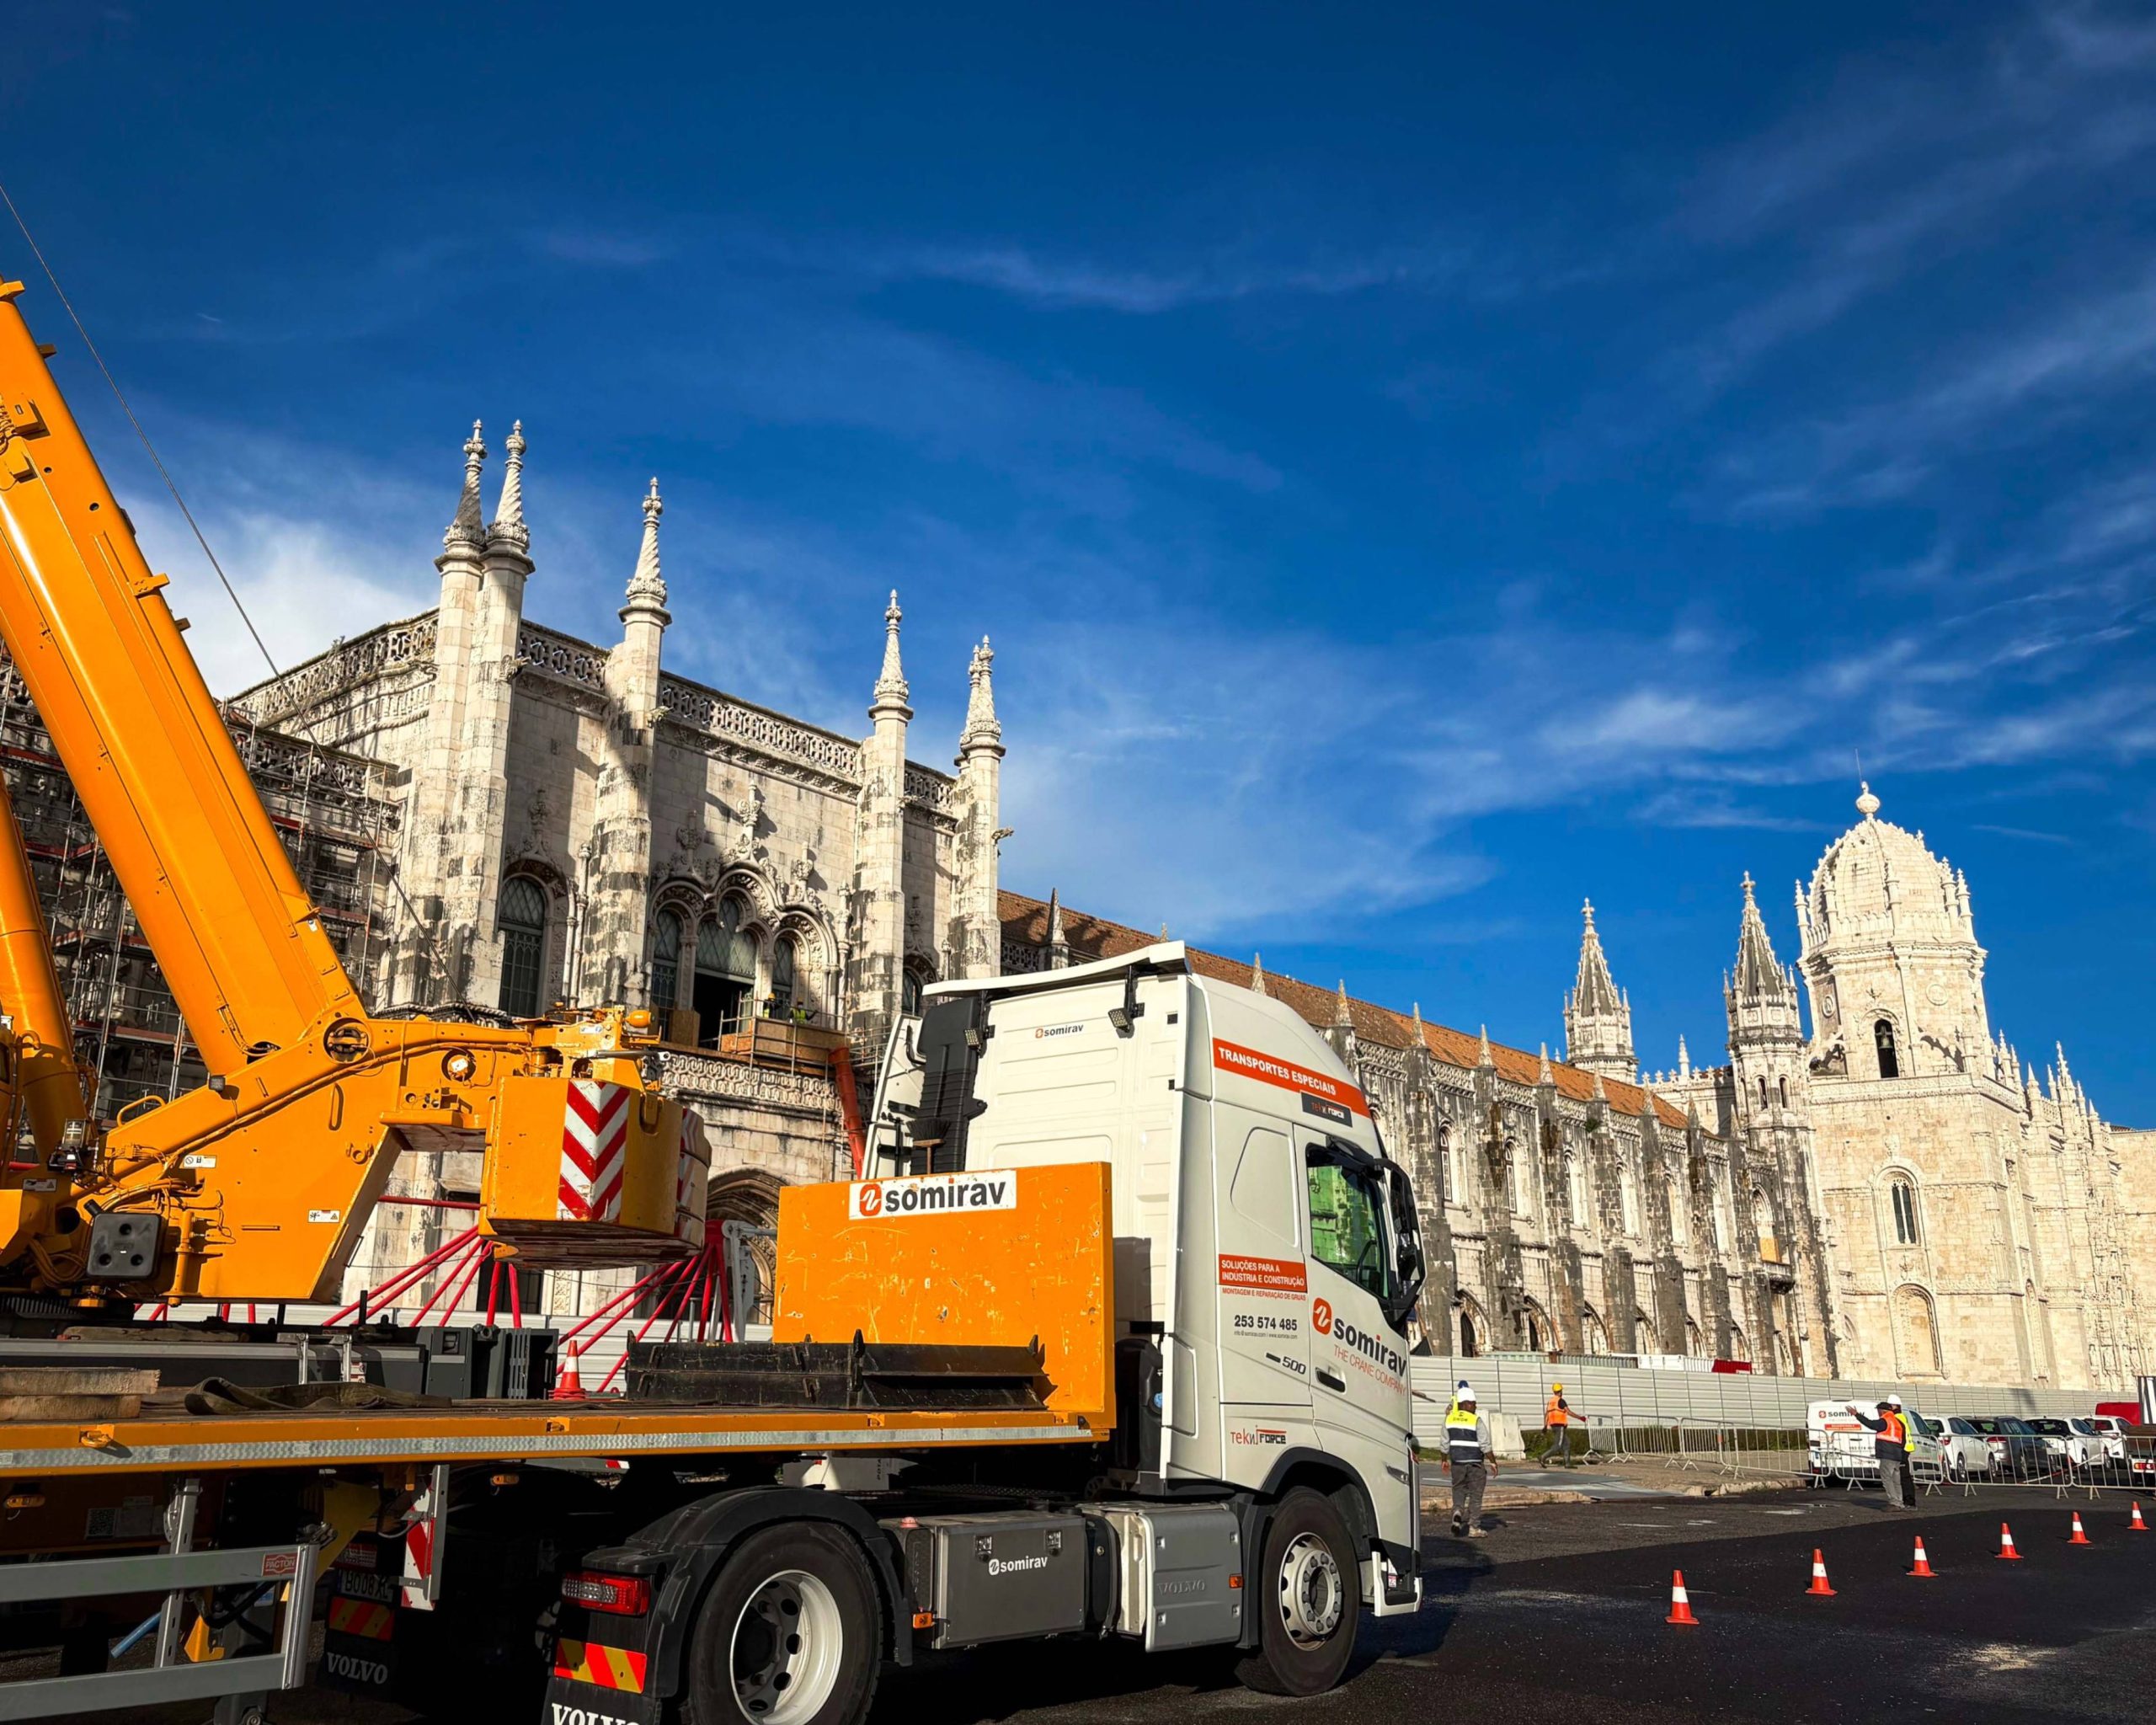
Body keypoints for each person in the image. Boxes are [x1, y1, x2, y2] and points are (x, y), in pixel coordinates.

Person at [1443, 1383, 1498, 1537]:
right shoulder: (1476, 1420)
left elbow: (1444, 1443)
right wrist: (1493, 1462)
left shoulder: (1449, 1419)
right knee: (1476, 1495)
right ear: (1465, 1404)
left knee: (1458, 1490)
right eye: (1473, 1403)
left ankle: (1458, 1512)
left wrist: (1444, 1460)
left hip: (1457, 1463)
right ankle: (1474, 1527)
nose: (1475, 1405)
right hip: (1475, 1463)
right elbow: (1485, 1444)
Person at [1846, 1397, 1913, 1509]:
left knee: (1887, 1479)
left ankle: (1894, 1502)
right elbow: (1903, 1439)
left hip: (1887, 1454)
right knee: (1896, 1480)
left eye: (1878, 1411)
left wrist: (1857, 1415)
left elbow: (1871, 1424)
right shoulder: (1898, 1422)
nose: (1877, 1413)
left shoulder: (1885, 1420)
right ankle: (1900, 1502)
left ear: (1882, 1411)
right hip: (1897, 1455)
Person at [1544, 1382, 1581, 1468]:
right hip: (1560, 1426)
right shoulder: (1561, 1401)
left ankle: (1567, 1464)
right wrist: (1580, 1418)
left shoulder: (1550, 1402)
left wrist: (1545, 1425)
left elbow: (1547, 1414)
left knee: (1567, 1443)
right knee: (1558, 1446)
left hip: (1553, 1425)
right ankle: (1543, 1457)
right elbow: (1569, 1412)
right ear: (1560, 1391)